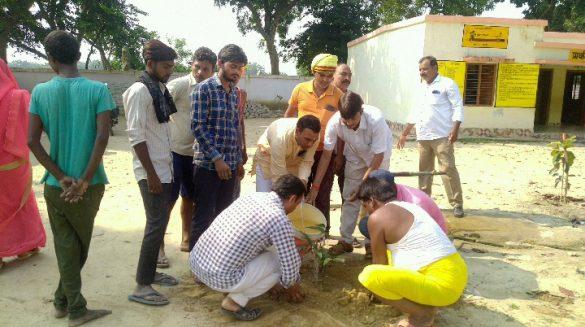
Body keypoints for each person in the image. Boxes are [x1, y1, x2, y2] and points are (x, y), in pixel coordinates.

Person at [28, 30, 114, 326]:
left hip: (55, 186)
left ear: (51, 59)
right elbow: (102, 137)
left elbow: (32, 142)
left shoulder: (40, 92)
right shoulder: (98, 90)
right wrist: (85, 180)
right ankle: (75, 309)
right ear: (79, 55)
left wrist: (62, 176)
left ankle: (62, 300)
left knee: (67, 246)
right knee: (78, 249)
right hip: (89, 187)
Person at [189, 174, 305, 321]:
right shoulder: (279, 219)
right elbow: (290, 269)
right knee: (280, 262)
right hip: (219, 277)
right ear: (292, 199)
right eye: (297, 203)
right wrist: (291, 285)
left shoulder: (252, 197)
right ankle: (233, 302)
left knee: (271, 251)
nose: (296, 208)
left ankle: (227, 287)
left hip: (198, 264)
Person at [356, 175, 467, 327]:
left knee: (369, 276)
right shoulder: (411, 206)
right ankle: (427, 303)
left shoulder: (376, 218)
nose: (367, 211)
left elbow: (379, 264)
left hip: (442, 286)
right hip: (457, 275)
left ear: (372, 201)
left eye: (365, 206)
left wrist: (379, 294)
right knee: (391, 252)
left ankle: (422, 313)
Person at [124, 39, 179, 306]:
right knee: (155, 224)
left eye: (171, 66)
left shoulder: (157, 88)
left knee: (156, 224)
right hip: (152, 172)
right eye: (166, 66)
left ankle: (149, 274)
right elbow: (135, 136)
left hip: (162, 167)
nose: (170, 71)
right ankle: (141, 287)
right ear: (150, 64)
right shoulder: (139, 91)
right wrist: (152, 175)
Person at [308, 91, 393, 256]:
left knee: (374, 200)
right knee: (349, 197)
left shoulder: (376, 119)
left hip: (379, 158)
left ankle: (371, 242)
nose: (349, 124)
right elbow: (326, 156)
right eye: (345, 120)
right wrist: (316, 186)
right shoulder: (335, 123)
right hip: (354, 155)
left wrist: (362, 186)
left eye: (353, 119)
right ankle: (346, 240)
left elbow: (378, 156)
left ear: (361, 111)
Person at [190, 44, 247, 250]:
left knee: (224, 216)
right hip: (207, 165)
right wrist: (217, 158)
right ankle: (196, 263)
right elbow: (197, 126)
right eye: (233, 66)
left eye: (240, 68)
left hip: (230, 166)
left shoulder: (234, 92)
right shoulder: (203, 89)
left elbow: (234, 127)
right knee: (203, 215)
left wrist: (238, 161)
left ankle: (217, 259)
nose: (237, 72)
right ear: (220, 64)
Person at [163, 47, 217, 264]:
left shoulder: (212, 89)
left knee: (190, 198)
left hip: (196, 154)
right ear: (191, 65)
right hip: (175, 151)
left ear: (213, 71)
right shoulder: (180, 85)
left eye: (205, 69)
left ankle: (186, 237)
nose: (200, 72)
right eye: (197, 67)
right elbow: (159, 104)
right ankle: (158, 247)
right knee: (168, 199)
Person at [397, 56, 465, 218]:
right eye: (420, 69)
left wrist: (455, 129)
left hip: (442, 136)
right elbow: (414, 112)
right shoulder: (420, 88)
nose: (422, 72)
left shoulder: (447, 84)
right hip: (423, 137)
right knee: (424, 172)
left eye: (425, 69)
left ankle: (457, 203)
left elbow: (457, 107)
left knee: (447, 169)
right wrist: (405, 133)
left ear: (435, 68)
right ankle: (424, 201)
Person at [284, 53, 344, 235]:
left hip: (325, 152)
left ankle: (321, 232)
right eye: (321, 75)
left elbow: (342, 127)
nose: (325, 79)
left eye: (329, 75)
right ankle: (293, 230)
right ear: (313, 72)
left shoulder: (339, 95)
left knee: (322, 192)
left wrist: (339, 155)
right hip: (301, 150)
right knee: (297, 189)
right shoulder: (300, 89)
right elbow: (288, 115)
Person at [0, 59, 46, 269]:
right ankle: (27, 246)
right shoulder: (19, 97)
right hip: (14, 164)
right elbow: (29, 132)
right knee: (22, 202)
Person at [358, 170, 448, 258]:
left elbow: (423, 233)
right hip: (437, 252)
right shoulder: (390, 195)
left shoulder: (416, 202)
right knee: (365, 224)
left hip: (431, 246)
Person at [252, 115, 321, 191]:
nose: (310, 144)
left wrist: (302, 182)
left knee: (296, 195)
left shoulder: (313, 137)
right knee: (265, 199)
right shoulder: (280, 139)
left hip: (293, 163)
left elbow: (306, 162)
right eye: (307, 140)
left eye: (314, 140)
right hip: (268, 159)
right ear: (298, 131)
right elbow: (278, 174)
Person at [331, 63, 352, 198]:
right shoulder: (326, 95)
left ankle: (347, 219)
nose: (347, 78)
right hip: (323, 151)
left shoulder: (352, 99)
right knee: (321, 192)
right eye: (343, 74)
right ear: (333, 76)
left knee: (347, 192)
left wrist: (340, 156)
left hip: (346, 155)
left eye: (349, 75)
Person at [233, 68, 248, 199]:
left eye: (240, 69)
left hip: (236, 150)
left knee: (233, 194)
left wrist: (244, 148)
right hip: (215, 154)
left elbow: (240, 123)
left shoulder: (241, 94)